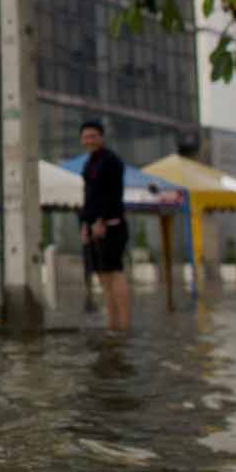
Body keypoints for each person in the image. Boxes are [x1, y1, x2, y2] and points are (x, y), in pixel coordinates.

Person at [80, 118, 130, 330]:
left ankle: (124, 324)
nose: (89, 140)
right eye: (85, 137)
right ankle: (112, 324)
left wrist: (101, 221)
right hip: (93, 227)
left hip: (112, 224)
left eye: (93, 136)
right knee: (103, 276)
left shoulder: (112, 161)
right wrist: (85, 224)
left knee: (115, 271)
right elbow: (88, 197)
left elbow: (111, 195)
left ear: (101, 137)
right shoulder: (88, 163)